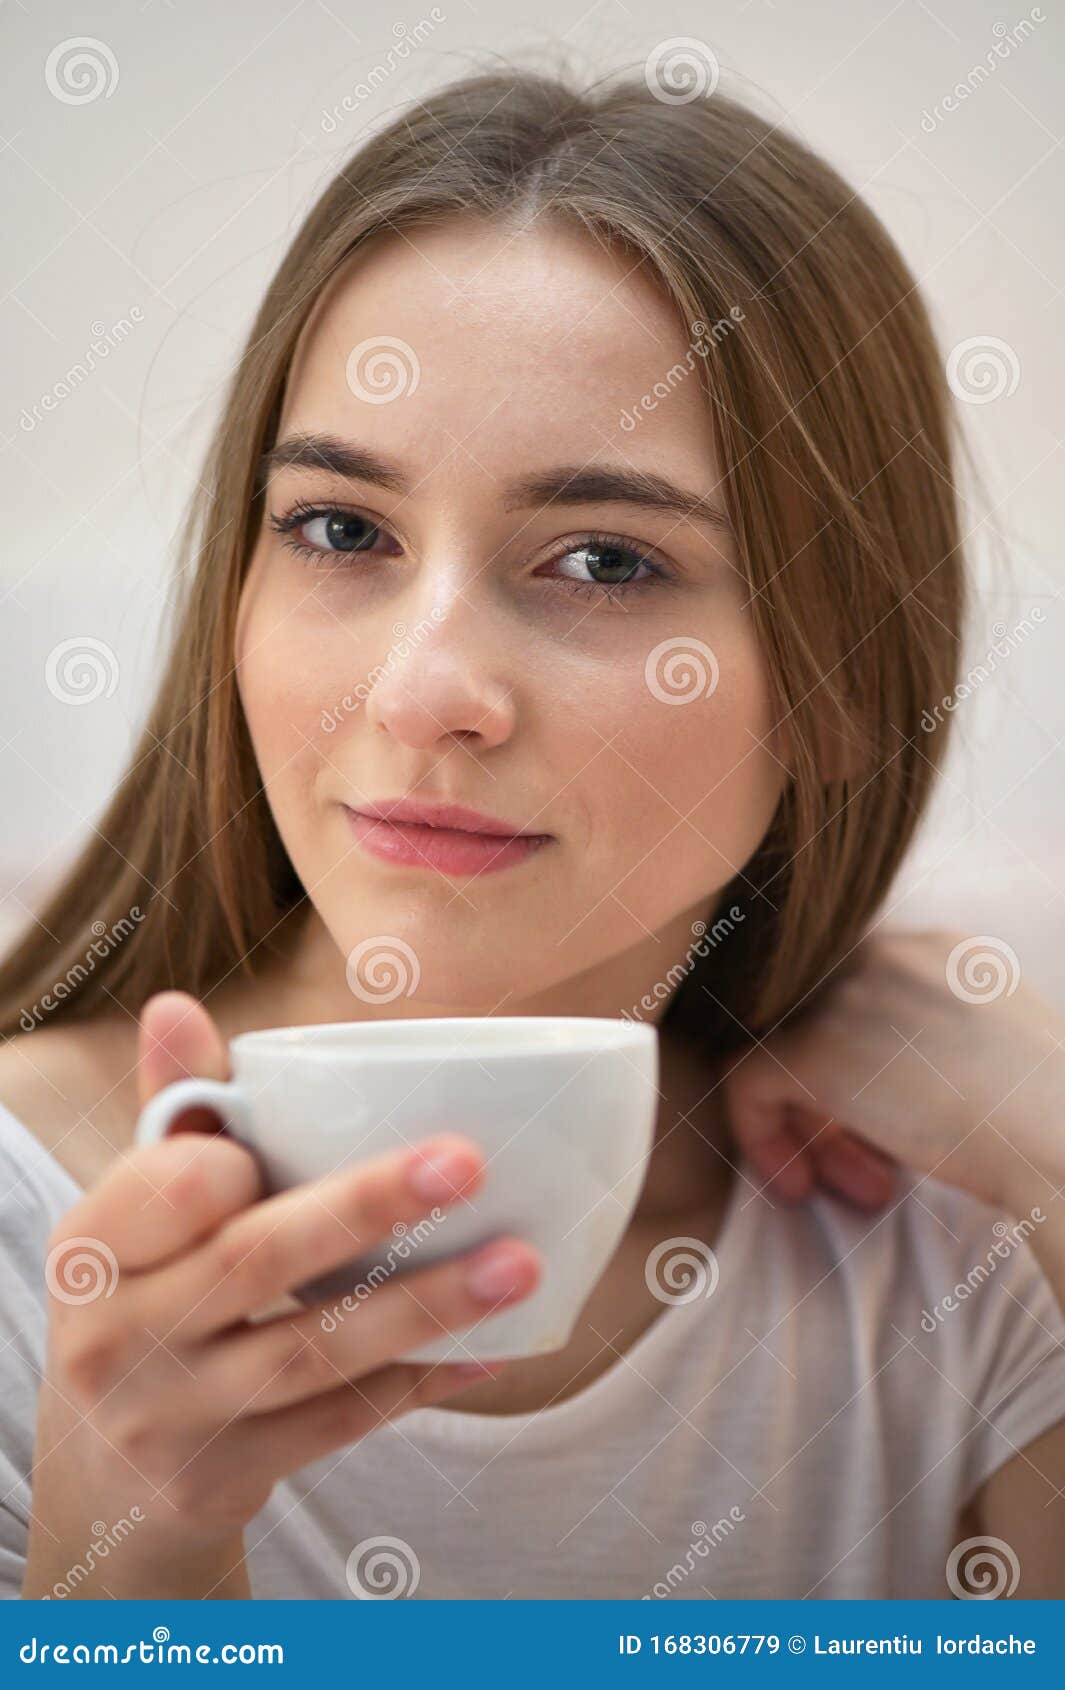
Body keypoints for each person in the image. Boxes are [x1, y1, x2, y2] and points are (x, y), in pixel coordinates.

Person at [0, 65, 1061, 1602]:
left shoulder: (957, 1266)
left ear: (843, 685)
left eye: (604, 560)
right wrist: (136, 1560)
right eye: (341, 530)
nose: (423, 690)